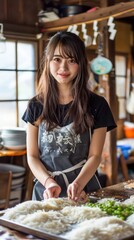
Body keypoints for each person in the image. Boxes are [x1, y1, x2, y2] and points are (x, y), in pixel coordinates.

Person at [22, 31, 116, 202]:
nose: (63, 68)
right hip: (47, 192)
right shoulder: (36, 105)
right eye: (57, 59)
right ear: (48, 62)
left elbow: (95, 156)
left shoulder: (97, 105)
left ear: (81, 64)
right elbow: (32, 156)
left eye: (71, 60)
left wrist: (79, 183)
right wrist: (48, 182)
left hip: (84, 188)